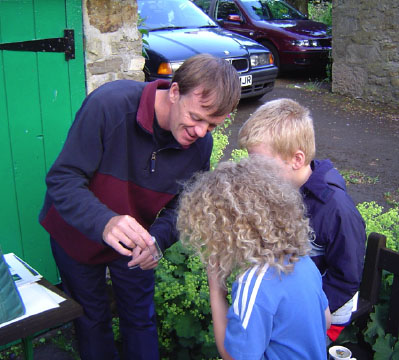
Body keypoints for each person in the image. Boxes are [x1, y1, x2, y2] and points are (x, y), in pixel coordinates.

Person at [38, 53, 241, 359]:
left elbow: (184, 206)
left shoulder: (200, 145)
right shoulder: (109, 105)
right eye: (197, 117)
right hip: (77, 231)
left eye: (211, 126)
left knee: (140, 319)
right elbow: (62, 179)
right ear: (174, 92)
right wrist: (104, 222)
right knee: (92, 321)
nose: (201, 132)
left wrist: (158, 241)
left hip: (138, 242)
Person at [238, 98, 366, 343]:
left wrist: (304, 309)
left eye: (261, 165)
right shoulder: (277, 190)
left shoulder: (338, 211)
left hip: (322, 311)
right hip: (286, 298)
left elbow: (346, 278)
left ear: (297, 159)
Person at [176, 156, 331, 360]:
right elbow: (326, 321)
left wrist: (216, 289)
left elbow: (235, 357)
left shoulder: (255, 283)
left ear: (227, 233)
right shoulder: (302, 259)